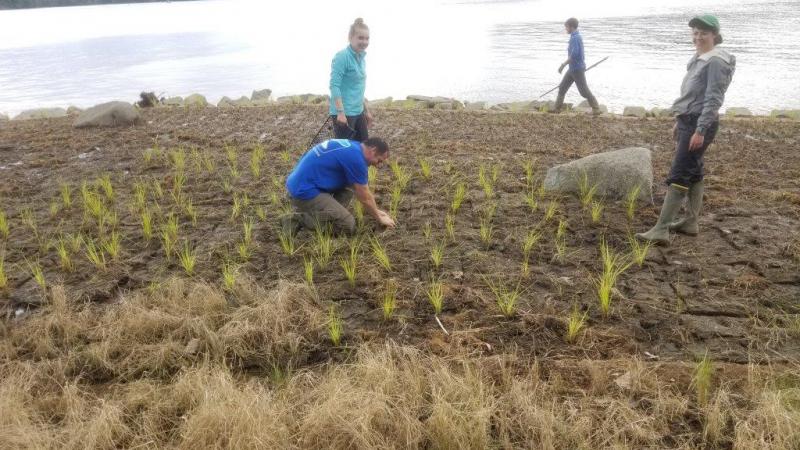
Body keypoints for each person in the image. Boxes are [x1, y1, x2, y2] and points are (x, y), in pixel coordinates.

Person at [637, 14, 735, 244]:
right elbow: (692, 96)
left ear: (715, 35)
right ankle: (691, 222)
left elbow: (713, 99)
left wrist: (699, 130)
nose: (698, 37)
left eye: (703, 33)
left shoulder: (716, 62)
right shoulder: (701, 57)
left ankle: (661, 229)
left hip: (700, 123)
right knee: (695, 170)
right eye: (695, 33)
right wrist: (679, 120)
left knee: (680, 174)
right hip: (689, 120)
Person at [284, 137, 395, 235]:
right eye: (379, 160)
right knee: (347, 225)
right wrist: (378, 217)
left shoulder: (354, 147)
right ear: (373, 150)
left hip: (303, 182)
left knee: (350, 186)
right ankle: (296, 220)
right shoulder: (356, 160)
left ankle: (333, 214)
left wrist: (375, 210)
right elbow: (364, 196)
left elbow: (360, 189)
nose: (377, 165)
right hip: (304, 191)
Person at [329, 18, 373, 142]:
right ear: (350, 37)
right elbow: (334, 85)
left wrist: (366, 110)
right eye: (360, 38)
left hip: (358, 111)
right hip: (344, 113)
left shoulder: (361, 58)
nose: (364, 42)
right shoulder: (342, 57)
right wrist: (340, 113)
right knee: (345, 152)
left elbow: (358, 88)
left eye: (367, 38)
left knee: (363, 147)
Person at [553, 17, 601, 115]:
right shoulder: (574, 36)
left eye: (566, 27)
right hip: (572, 68)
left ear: (571, 27)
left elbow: (574, 55)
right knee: (562, 88)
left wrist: (563, 65)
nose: (566, 29)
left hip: (577, 69)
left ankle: (596, 109)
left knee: (584, 91)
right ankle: (557, 109)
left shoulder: (576, 38)